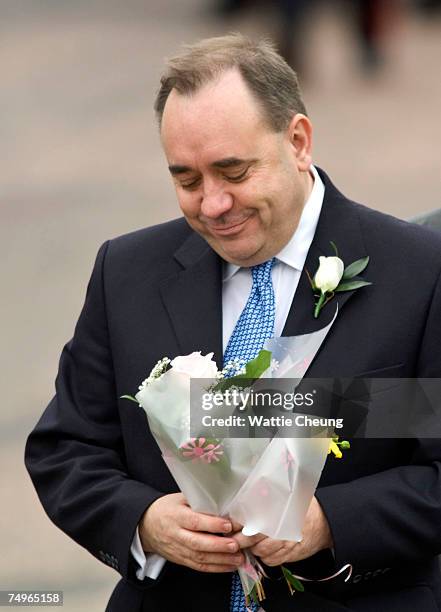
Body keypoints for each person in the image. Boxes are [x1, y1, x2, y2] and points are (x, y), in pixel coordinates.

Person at [25, 34, 441, 611]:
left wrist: (329, 523)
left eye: (233, 171)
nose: (213, 204)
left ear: (298, 141)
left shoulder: (419, 271)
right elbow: (67, 447)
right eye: (187, 180)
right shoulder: (126, 272)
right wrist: (143, 522)